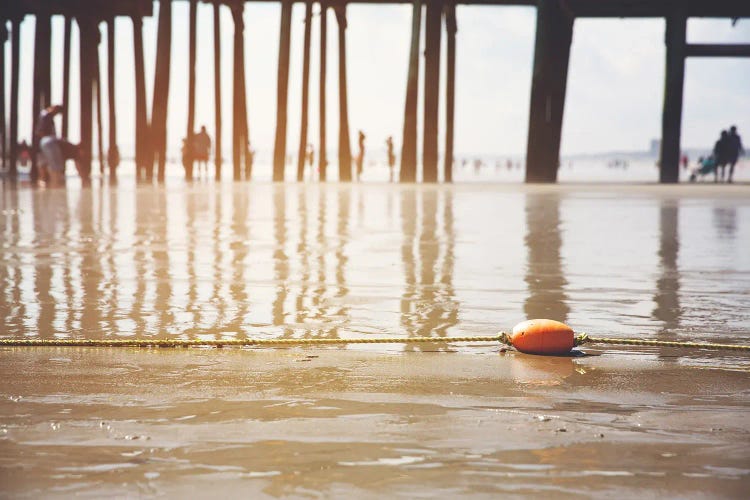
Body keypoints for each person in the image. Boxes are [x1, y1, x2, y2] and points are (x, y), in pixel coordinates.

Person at [36, 105, 65, 187]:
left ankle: (44, 181)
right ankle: (51, 181)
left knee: (43, 163)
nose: (56, 114)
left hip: (42, 143)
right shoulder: (46, 115)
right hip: (45, 143)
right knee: (49, 163)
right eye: (57, 112)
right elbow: (40, 131)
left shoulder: (46, 115)